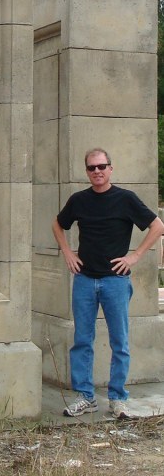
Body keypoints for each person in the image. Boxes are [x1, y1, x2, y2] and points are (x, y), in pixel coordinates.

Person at [52, 147, 164, 419]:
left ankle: (117, 398)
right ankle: (85, 397)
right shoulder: (79, 200)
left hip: (115, 281)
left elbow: (158, 226)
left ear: (110, 168)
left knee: (120, 341)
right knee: (82, 340)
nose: (97, 171)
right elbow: (58, 224)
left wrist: (135, 256)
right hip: (84, 280)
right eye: (92, 168)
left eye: (102, 166)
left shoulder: (126, 199)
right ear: (87, 172)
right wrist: (68, 252)